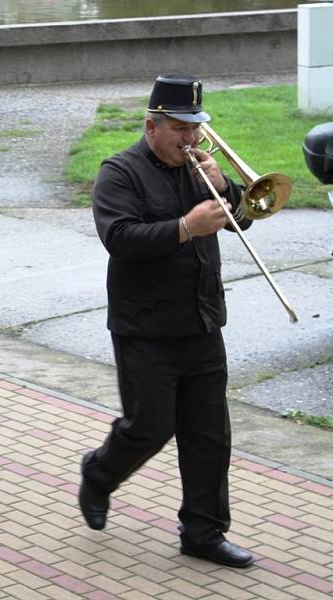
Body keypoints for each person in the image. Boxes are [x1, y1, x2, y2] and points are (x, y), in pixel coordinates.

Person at [81, 75, 255, 568]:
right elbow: (120, 238)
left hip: (202, 321)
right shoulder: (120, 171)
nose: (191, 140)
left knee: (209, 434)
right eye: (180, 128)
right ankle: (99, 473)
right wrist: (184, 228)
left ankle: (203, 532)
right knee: (149, 427)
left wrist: (227, 188)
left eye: (196, 128)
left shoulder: (200, 168)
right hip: (146, 328)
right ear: (151, 125)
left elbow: (243, 217)